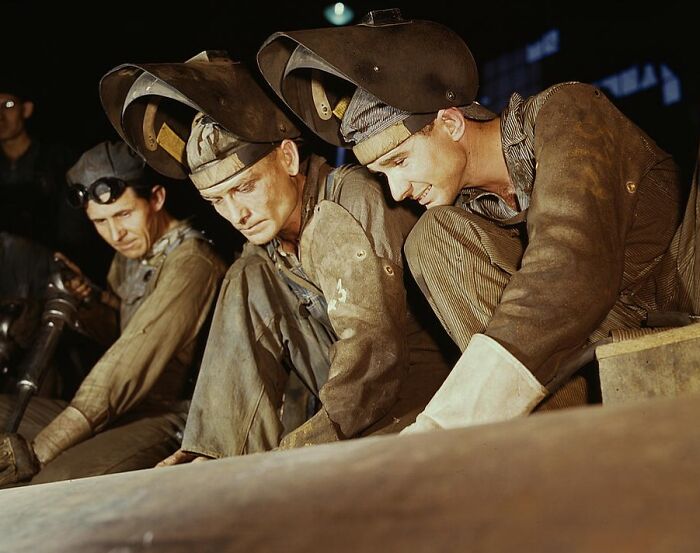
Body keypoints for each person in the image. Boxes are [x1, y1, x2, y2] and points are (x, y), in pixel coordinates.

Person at [255, 9, 688, 432]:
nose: (396, 190)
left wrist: (445, 422)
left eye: (400, 161)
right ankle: (551, 442)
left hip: (683, 312)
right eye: (382, 174)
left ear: (450, 122)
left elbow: (569, 263)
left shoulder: (568, 110)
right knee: (432, 239)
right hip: (596, 355)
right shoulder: (461, 218)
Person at [97, 51, 455, 463]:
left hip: (418, 400)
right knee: (248, 270)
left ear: (288, 157)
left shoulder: (346, 199)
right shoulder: (262, 253)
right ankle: (214, 454)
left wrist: (296, 450)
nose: (236, 214)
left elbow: (373, 352)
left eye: (246, 187)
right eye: (217, 200)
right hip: (346, 410)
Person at [0, 140, 225, 485]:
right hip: (125, 405)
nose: (115, 233)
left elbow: (127, 363)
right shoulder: (132, 254)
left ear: (156, 199)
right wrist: (89, 300)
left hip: (175, 413)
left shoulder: (191, 262)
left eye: (124, 214)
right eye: (100, 221)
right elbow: (118, 331)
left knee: (58, 479)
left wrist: (40, 449)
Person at [0, 82, 110, 282]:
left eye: (8, 106)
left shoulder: (59, 160)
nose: (0, 116)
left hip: (56, 269)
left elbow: (75, 230)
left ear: (26, 109)